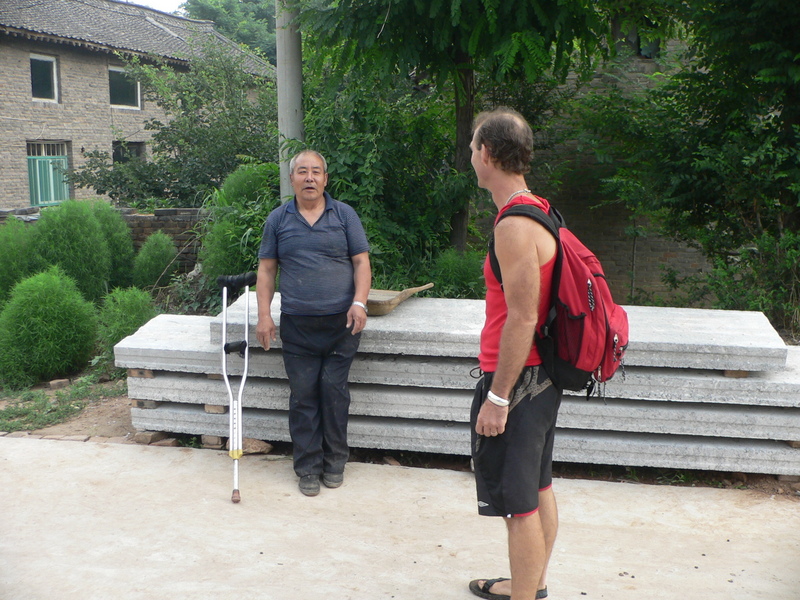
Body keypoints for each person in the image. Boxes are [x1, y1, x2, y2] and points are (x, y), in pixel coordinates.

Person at [467, 108, 561, 600]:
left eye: (472, 147)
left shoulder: (514, 225)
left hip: (520, 381)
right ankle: (531, 583)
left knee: (518, 505)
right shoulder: (538, 208)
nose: (471, 156)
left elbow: (523, 317)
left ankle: (526, 592)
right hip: (539, 375)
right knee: (538, 487)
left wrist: (498, 397)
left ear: (487, 153)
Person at [255, 150, 371, 497]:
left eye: (315, 172)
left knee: (334, 394)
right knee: (303, 397)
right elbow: (266, 270)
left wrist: (359, 302)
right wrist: (264, 315)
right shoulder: (277, 220)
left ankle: (335, 462)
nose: (309, 178)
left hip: (341, 325)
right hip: (297, 326)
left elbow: (361, 263)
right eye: (302, 172)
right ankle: (307, 468)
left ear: (325, 179)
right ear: (291, 179)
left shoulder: (345, 216)